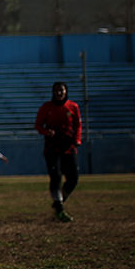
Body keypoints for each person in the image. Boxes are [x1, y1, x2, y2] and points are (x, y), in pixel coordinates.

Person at [35, 81, 83, 222]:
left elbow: (78, 125)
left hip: (69, 147)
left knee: (73, 179)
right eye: (56, 90)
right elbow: (38, 125)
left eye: (61, 90)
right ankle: (60, 207)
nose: (59, 93)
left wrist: (77, 139)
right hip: (52, 147)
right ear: (53, 92)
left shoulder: (73, 107)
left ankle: (59, 201)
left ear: (66, 91)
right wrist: (46, 131)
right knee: (56, 176)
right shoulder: (46, 107)